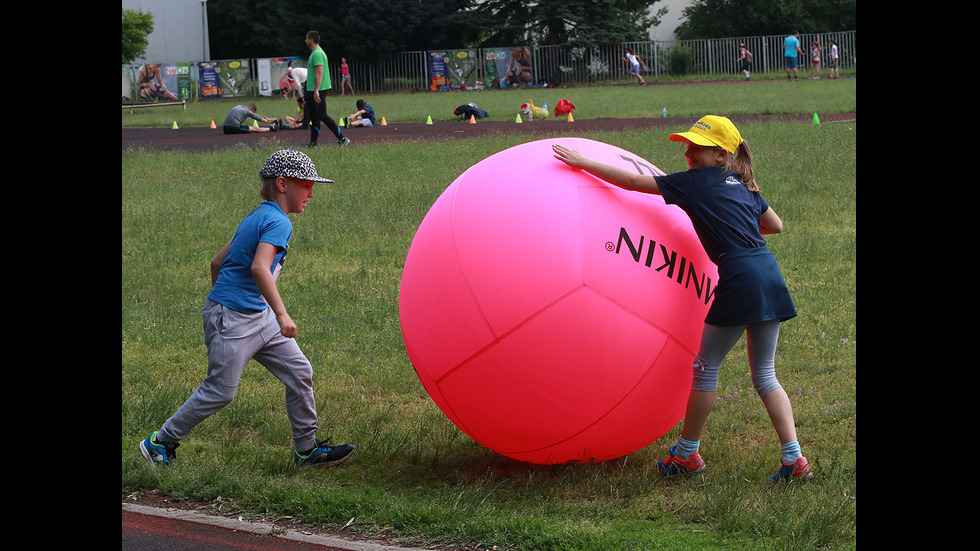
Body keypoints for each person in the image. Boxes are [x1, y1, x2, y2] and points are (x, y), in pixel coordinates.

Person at [551, 115, 811, 484]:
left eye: (697, 148)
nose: (688, 152)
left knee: (706, 368)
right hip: (768, 273)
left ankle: (686, 455)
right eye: (687, 146)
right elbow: (777, 226)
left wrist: (582, 161)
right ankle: (794, 459)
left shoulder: (693, 184)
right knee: (765, 375)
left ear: (721, 154)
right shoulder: (743, 183)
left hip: (739, 277)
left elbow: (630, 182)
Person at [138, 149, 356, 469]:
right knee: (220, 392)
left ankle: (307, 452)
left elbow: (217, 262)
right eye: (306, 185)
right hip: (238, 320)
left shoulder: (256, 215)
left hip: (255, 315)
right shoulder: (278, 222)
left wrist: (225, 301)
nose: (312, 192)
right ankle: (160, 442)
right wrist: (276, 313)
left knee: (299, 372)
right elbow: (259, 268)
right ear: (283, 184)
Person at [303, 30, 350, 147]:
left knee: (322, 115)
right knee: (314, 117)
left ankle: (343, 139)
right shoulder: (314, 53)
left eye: (306, 38)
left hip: (318, 89)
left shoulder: (318, 54)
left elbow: (319, 73)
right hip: (311, 89)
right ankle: (313, 143)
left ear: (312, 40)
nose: (305, 40)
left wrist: (316, 90)